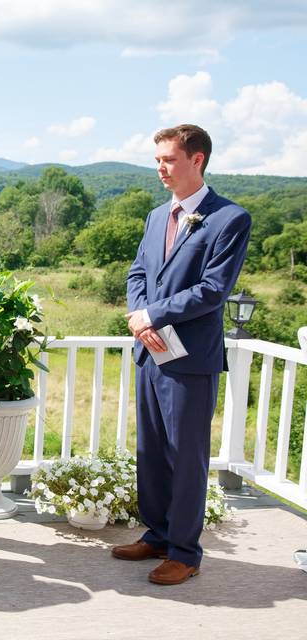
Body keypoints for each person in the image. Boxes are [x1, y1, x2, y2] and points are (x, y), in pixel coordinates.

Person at [114, 124, 251, 585]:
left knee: (186, 455)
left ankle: (186, 553)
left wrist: (153, 314)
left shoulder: (230, 218)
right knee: (151, 450)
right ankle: (157, 534)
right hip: (149, 352)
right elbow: (137, 272)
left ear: (198, 160)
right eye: (157, 160)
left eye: (168, 160)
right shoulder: (157, 217)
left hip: (190, 359)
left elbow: (213, 290)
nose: (160, 169)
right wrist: (139, 315)